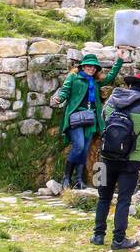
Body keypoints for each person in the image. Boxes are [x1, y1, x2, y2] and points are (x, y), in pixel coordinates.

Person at [92, 72, 140, 250]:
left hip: (105, 157)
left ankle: (98, 235)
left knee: (103, 197)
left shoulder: (111, 100)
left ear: (130, 85)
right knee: (124, 199)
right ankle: (118, 240)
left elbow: (103, 117)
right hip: (131, 160)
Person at [51, 50, 127, 189]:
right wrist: (59, 99)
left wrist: (120, 60)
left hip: (91, 119)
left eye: (93, 67)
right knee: (78, 145)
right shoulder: (73, 78)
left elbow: (110, 76)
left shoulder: (96, 82)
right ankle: (66, 177)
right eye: (88, 66)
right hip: (76, 117)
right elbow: (64, 91)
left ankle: (79, 179)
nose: (91, 69)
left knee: (84, 149)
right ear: (82, 67)